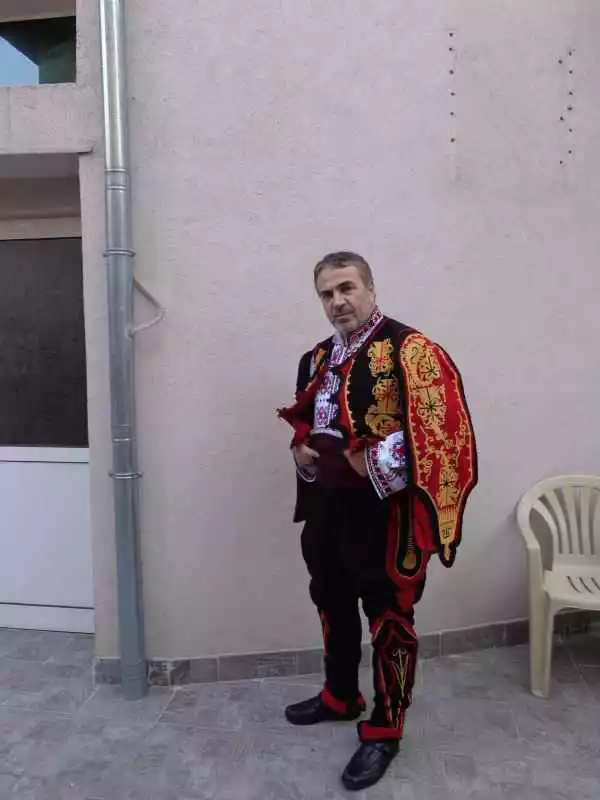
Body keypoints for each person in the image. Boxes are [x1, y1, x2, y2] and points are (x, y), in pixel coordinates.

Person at [278, 252, 478, 791]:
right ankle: (340, 695)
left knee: (389, 615)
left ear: (370, 287)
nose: (338, 301)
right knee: (330, 598)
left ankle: (386, 728)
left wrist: (375, 461)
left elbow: (443, 431)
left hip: (383, 512)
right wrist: (299, 451)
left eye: (347, 288)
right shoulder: (315, 358)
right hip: (326, 507)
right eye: (327, 293)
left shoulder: (411, 350)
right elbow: (307, 425)